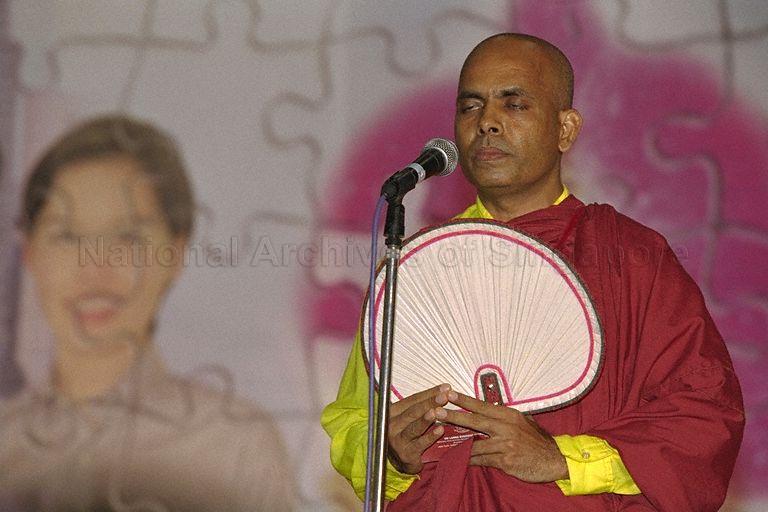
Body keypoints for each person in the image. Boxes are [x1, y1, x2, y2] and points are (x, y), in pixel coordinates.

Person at [321, 33, 745, 511]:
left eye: (514, 104)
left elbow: (704, 420)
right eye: (470, 107)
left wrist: (560, 458)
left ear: (565, 129)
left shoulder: (633, 257)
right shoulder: (415, 268)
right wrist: (394, 453)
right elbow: (353, 422)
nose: (487, 124)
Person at [0, 115, 296, 511]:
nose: (95, 267)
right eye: (67, 235)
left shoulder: (235, 444)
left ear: (174, 253)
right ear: (30, 252)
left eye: (127, 237)